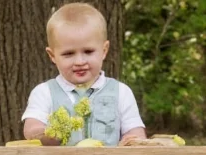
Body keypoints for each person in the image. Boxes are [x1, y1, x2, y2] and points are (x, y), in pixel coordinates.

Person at [22, 3, 146, 147]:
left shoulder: (121, 92)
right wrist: (47, 133)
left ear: (104, 50)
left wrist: (132, 141)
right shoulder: (44, 93)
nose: (79, 62)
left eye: (88, 52)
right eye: (68, 54)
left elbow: (136, 132)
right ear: (52, 55)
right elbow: (30, 129)